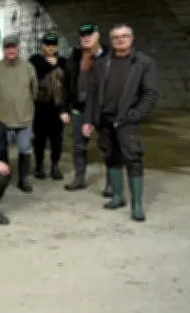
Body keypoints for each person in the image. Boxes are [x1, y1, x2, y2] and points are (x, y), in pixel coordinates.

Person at [83, 24, 158, 222]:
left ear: (131, 39)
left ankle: (137, 205)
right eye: (116, 37)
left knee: (133, 160)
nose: (120, 40)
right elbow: (93, 94)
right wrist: (89, 120)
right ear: (111, 40)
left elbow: (150, 93)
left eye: (124, 36)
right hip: (105, 120)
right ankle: (117, 196)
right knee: (111, 157)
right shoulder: (102, 63)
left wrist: (136, 114)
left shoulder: (143, 63)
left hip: (127, 121)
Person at [0, 35, 37, 193]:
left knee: (25, 149)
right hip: (2, 120)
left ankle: (23, 180)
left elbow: (33, 91)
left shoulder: (28, 67)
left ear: (18, 48)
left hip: (24, 119)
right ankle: (3, 178)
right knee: (2, 151)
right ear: (3, 49)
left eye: (13, 47)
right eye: (7, 47)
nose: (10, 50)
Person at [64, 22, 108, 193]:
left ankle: (111, 183)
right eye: (83, 35)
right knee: (78, 145)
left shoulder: (108, 56)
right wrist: (64, 107)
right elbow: (66, 84)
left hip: (102, 108)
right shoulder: (74, 56)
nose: (86, 37)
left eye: (90, 34)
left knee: (107, 146)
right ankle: (79, 178)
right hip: (79, 107)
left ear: (98, 35)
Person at [28, 32, 69, 181]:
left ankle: (54, 166)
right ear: (43, 46)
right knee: (39, 139)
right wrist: (53, 64)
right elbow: (37, 71)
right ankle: (39, 166)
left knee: (57, 139)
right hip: (39, 107)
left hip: (57, 107)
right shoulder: (35, 59)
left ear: (57, 46)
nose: (50, 47)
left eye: (53, 45)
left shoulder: (64, 61)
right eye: (47, 45)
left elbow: (68, 84)